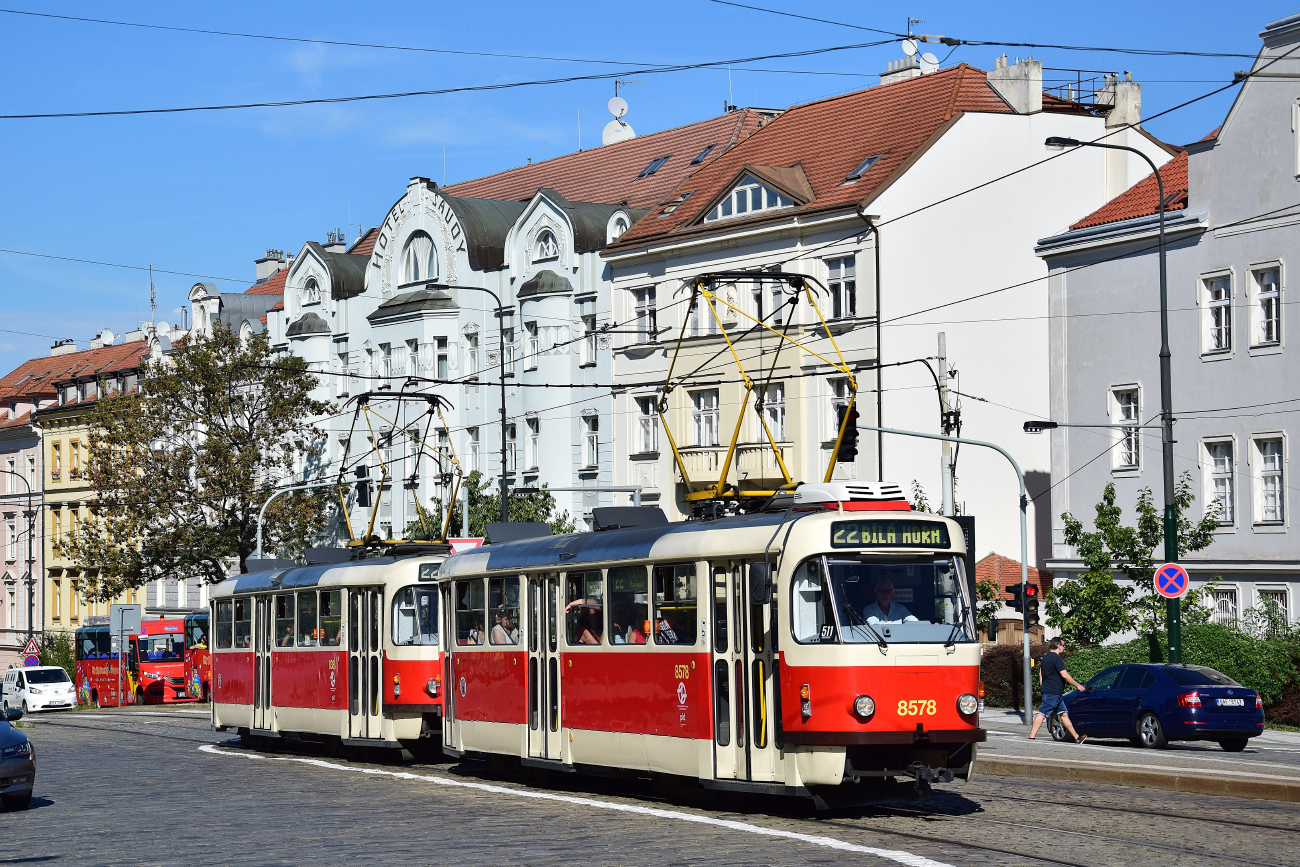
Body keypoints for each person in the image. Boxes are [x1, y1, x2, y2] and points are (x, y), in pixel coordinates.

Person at [1029, 636, 1087, 742]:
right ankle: (1031, 737)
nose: (1063, 648)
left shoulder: (1046, 657)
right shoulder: (1056, 658)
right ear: (1058, 646)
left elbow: (1041, 673)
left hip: (1054, 692)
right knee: (1042, 713)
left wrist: (1043, 686)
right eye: (1063, 645)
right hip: (1053, 692)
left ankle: (1077, 737)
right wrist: (1077, 685)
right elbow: (1064, 674)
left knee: (1064, 714)